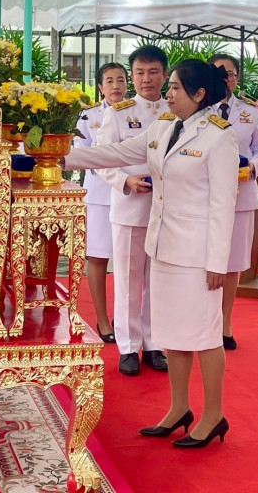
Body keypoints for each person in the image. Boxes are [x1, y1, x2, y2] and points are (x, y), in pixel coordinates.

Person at [64, 59, 239, 448]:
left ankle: (214, 414)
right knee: (173, 332)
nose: (168, 93)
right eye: (170, 86)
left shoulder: (219, 137)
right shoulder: (163, 126)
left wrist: (218, 263)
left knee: (205, 334)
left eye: (175, 87)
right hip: (163, 246)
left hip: (198, 255)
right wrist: (57, 155)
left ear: (199, 94)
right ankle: (179, 408)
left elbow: (222, 206)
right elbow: (113, 153)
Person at [95, 45, 169, 376]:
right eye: (139, 73)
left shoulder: (176, 112)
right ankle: (127, 347)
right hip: (129, 208)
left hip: (167, 211)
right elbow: (101, 160)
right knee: (127, 280)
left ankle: (154, 344)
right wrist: (125, 180)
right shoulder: (118, 113)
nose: (146, 79)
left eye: (153, 72)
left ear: (164, 75)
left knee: (159, 280)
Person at [207, 54, 258, 351]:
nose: (224, 79)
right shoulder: (197, 108)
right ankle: (203, 322)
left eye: (229, 74)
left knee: (232, 264)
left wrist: (254, 167)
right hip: (204, 196)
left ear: (236, 78)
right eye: (217, 73)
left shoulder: (248, 111)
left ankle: (224, 323)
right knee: (203, 259)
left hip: (241, 195)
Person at [74, 62, 128, 344]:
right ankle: (103, 319)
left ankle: (124, 317)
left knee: (128, 260)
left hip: (130, 193)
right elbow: (79, 151)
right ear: (100, 86)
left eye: (120, 79)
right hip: (98, 195)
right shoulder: (89, 115)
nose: (116, 85)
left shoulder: (135, 112)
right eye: (109, 80)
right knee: (97, 257)